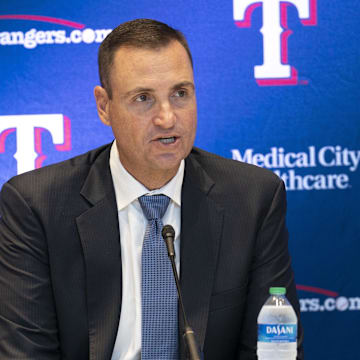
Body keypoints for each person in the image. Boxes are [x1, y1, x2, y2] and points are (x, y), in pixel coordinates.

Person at [0, 19, 303, 360]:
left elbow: (273, 350)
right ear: (104, 106)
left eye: (180, 93)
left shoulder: (253, 198)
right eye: (144, 98)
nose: (167, 118)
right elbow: (25, 352)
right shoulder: (35, 205)